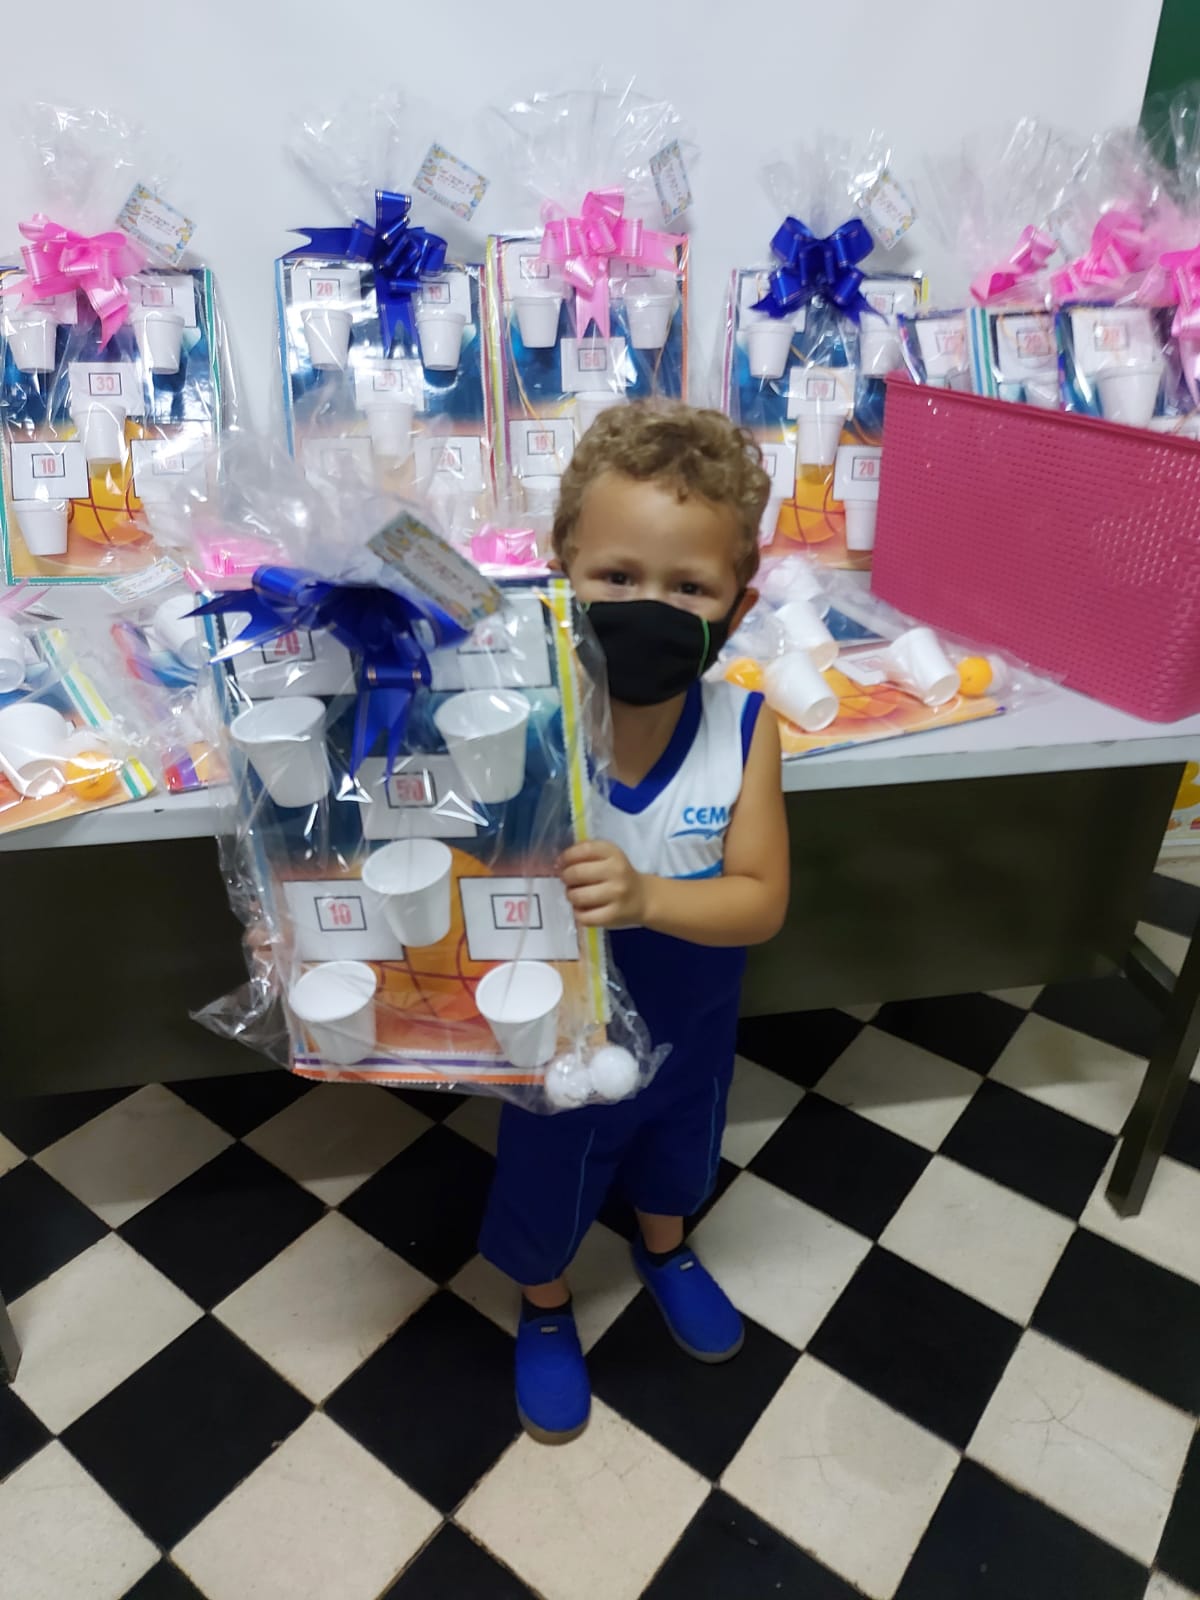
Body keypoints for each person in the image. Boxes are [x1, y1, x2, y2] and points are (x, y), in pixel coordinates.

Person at [479, 402, 790, 1444]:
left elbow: (761, 898)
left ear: (736, 607)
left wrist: (651, 897)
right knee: (550, 1167)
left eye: (688, 587)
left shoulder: (744, 728)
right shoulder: (530, 721)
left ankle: (664, 1247)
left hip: (693, 1021)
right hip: (561, 1030)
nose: (648, 607)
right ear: (561, 569)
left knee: (678, 1148)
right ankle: (546, 1303)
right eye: (616, 577)